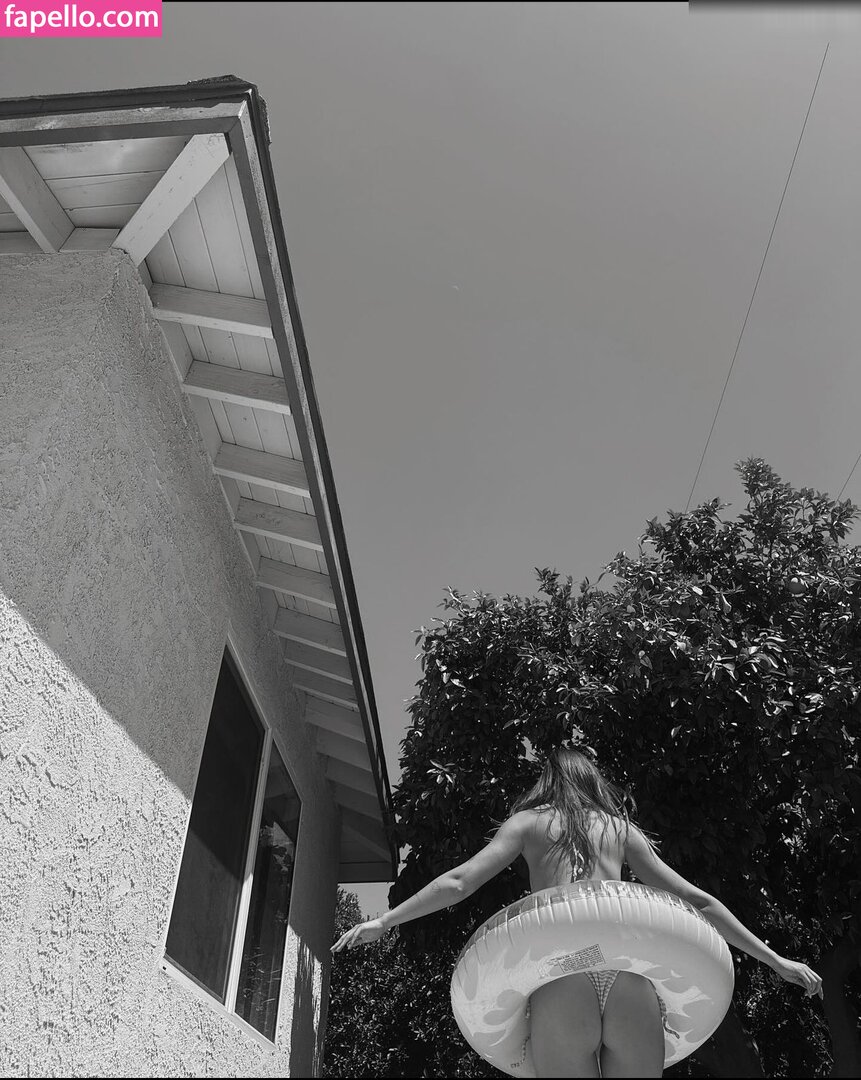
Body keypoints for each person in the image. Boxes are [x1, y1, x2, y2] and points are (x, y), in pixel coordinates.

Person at [332, 748, 822, 1078]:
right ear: (592, 781)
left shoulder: (528, 822)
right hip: (629, 981)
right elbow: (699, 901)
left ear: (548, 782)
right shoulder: (619, 828)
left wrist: (385, 921)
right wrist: (776, 960)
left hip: (561, 976)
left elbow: (460, 882)